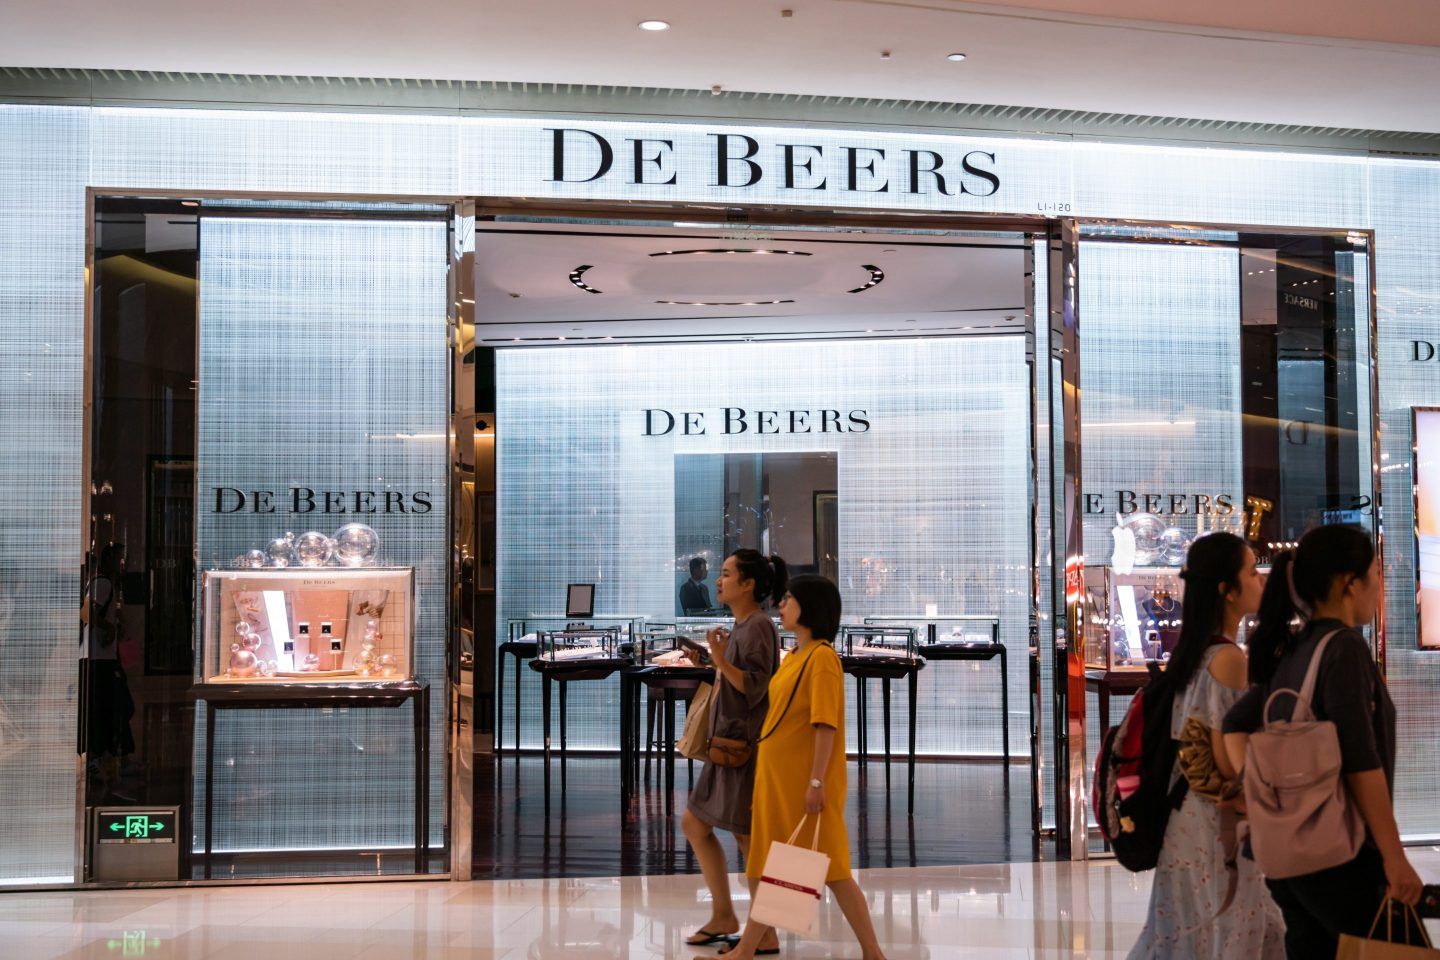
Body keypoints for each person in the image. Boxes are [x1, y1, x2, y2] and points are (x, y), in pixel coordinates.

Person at [1223, 524, 1424, 959]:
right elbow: (1360, 760)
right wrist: (1393, 856)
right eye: (1376, 573)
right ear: (1349, 583)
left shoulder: (1295, 649)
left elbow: (1235, 723)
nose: (1380, 586)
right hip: (1341, 852)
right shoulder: (1343, 650)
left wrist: (1263, 794)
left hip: (1287, 855)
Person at [1127, 532, 1284, 959]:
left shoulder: (1194, 652)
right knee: (1231, 935)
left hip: (1187, 820)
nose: (1261, 581)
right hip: (1218, 828)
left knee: (1186, 936)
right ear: (1226, 590)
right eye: (1252, 572)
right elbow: (1228, 759)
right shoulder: (1230, 660)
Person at [722, 575, 886, 960]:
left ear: (809, 607)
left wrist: (816, 781)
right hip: (780, 780)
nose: (781, 604)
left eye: (789, 599)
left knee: (824, 869)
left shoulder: (822, 659)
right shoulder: (796, 655)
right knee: (788, 866)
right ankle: (749, 949)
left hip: (804, 783)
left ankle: (871, 953)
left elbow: (824, 723)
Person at [681, 549, 788, 949]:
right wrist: (714, 663)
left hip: (743, 748)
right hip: (728, 747)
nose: (717, 581)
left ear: (748, 584)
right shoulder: (744, 625)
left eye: (726, 574)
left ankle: (766, 931)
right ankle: (726, 914)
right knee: (697, 825)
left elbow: (755, 686)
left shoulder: (758, 626)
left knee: (748, 839)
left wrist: (721, 662)